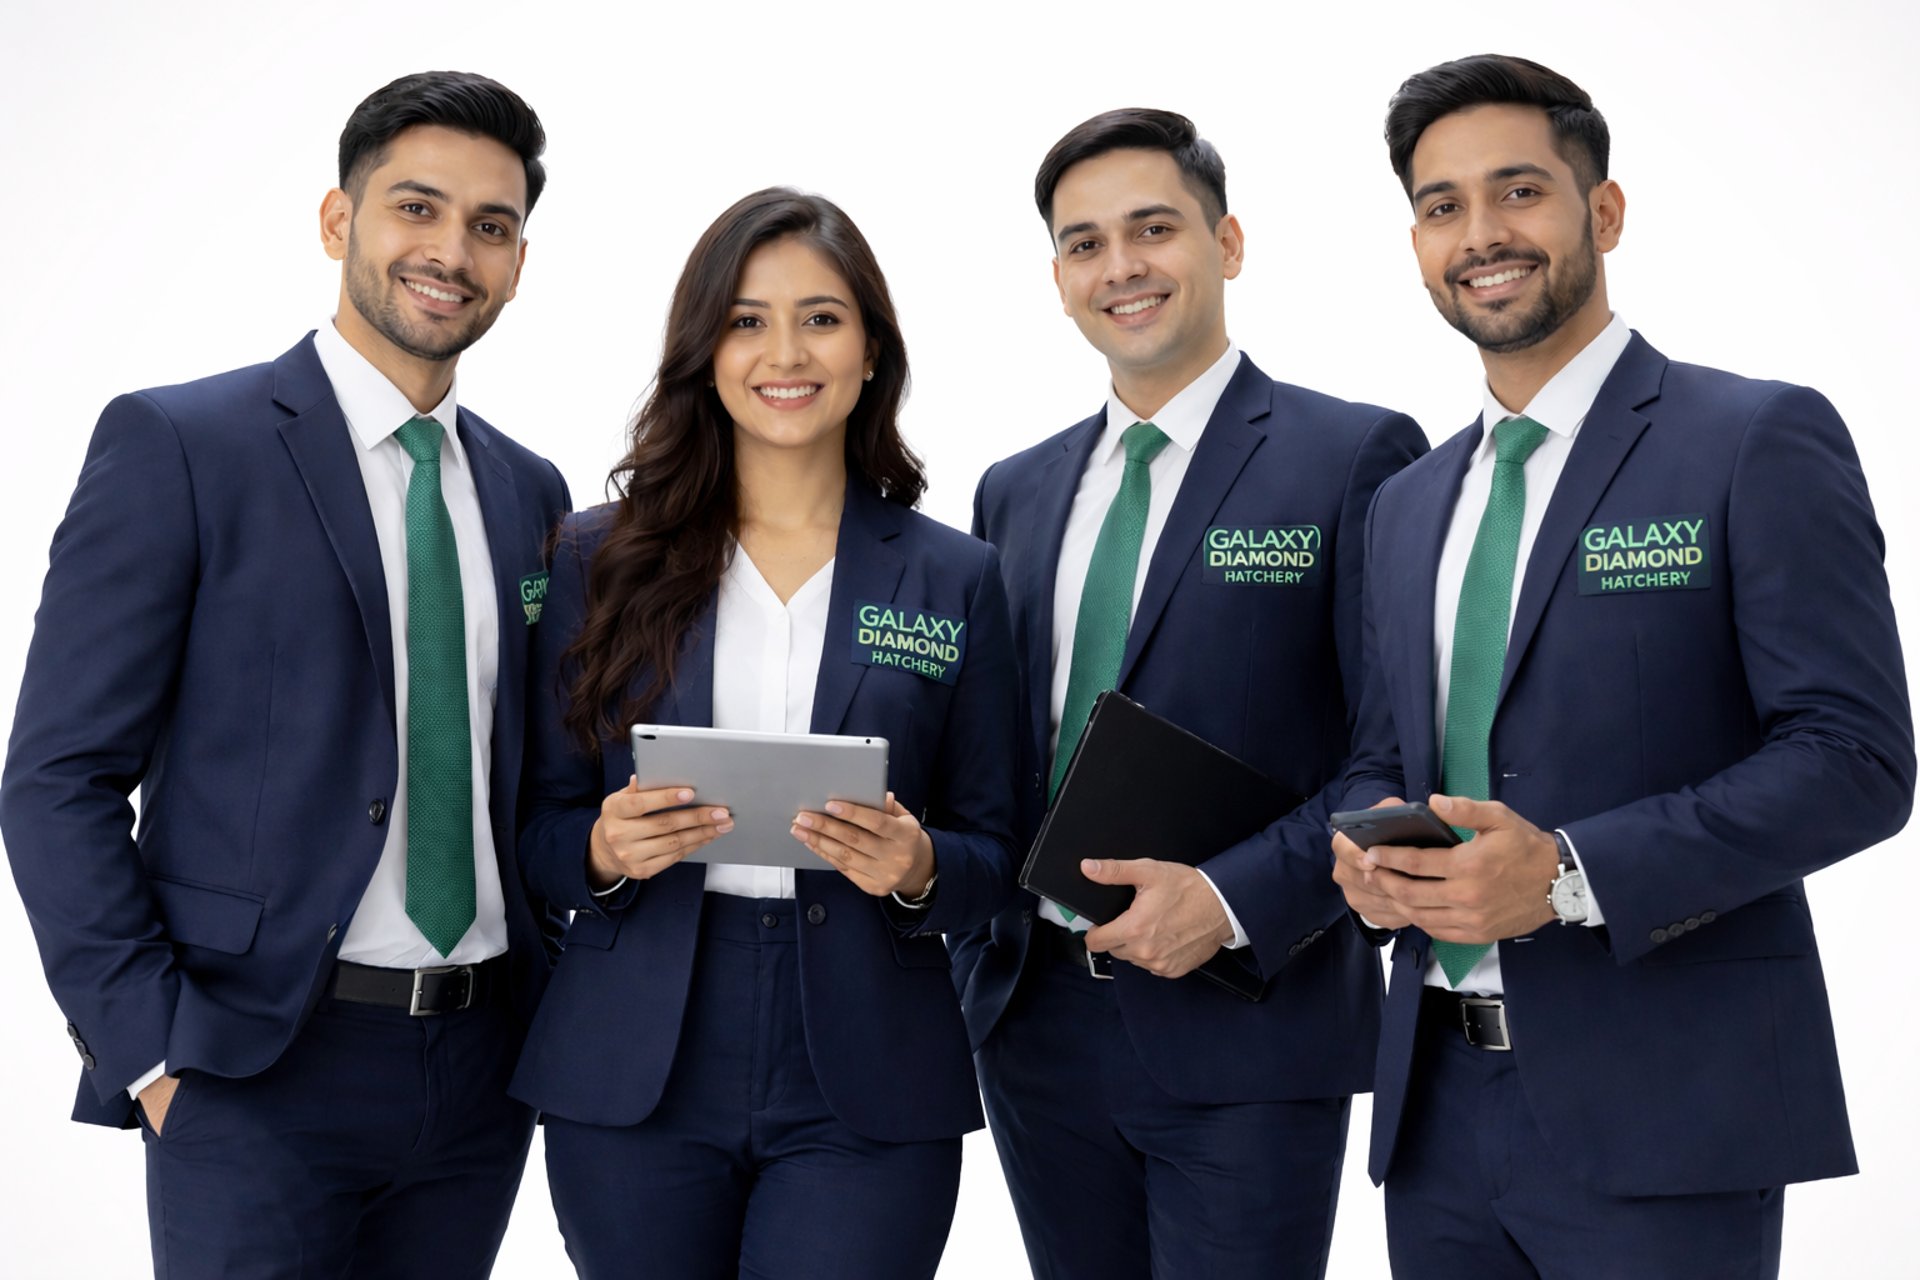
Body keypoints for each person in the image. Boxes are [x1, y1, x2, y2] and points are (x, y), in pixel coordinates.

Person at [1332, 53, 1915, 1278]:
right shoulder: (1403, 503)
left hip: (1672, 1109)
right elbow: (1391, 752)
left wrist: (1569, 876)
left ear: (1602, 212)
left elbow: (1856, 758)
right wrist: (1367, 855)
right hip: (1433, 1110)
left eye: (1519, 192)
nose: (1481, 234)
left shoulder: (1753, 437)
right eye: (1442, 207)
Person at [0, 71, 569, 1277]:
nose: (452, 252)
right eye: (416, 208)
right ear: (337, 220)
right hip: (251, 1065)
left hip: (477, 1074)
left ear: (520, 258)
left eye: (491, 225)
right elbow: (56, 774)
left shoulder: (531, 494)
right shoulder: (181, 446)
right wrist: (150, 1050)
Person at [950, 108, 1428, 1278]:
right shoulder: (1013, 490)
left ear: (1228, 241)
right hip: (1037, 1018)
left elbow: (1392, 758)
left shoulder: (1356, 455)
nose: (1121, 267)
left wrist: (1226, 897)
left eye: (1153, 229)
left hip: (1248, 1017)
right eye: (1084, 242)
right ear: (1058, 276)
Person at [510, 187, 1018, 1280]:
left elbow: (1000, 851)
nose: (784, 350)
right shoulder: (599, 559)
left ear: (873, 349)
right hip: (634, 1050)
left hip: (868, 1058)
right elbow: (534, 824)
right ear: (705, 348)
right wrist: (601, 849)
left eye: (821, 317)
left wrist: (923, 865)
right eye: (746, 319)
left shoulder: (956, 575)